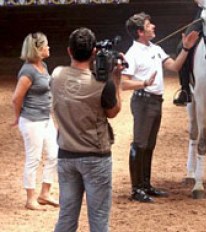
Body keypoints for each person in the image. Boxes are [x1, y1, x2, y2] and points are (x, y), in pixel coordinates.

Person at [122, 12, 199, 203]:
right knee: (139, 144)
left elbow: (174, 66)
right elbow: (123, 83)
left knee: (149, 145)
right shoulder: (132, 54)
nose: (153, 26)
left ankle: (146, 184)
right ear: (140, 32)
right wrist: (144, 83)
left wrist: (186, 49)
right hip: (143, 101)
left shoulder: (155, 48)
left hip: (156, 101)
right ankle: (136, 188)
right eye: (149, 25)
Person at [51, 27, 123, 232]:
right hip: (96, 156)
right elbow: (113, 112)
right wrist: (116, 79)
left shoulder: (56, 75)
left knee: (66, 216)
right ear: (93, 52)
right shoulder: (102, 84)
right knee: (99, 220)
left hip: (66, 153)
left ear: (69, 51)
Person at [12, 32, 59, 211]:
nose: (49, 48)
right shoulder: (28, 71)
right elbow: (16, 98)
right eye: (46, 45)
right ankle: (30, 198)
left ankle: (45, 193)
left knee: (54, 154)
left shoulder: (43, 65)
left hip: (45, 118)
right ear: (38, 49)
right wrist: (18, 117)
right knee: (34, 158)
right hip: (32, 120)